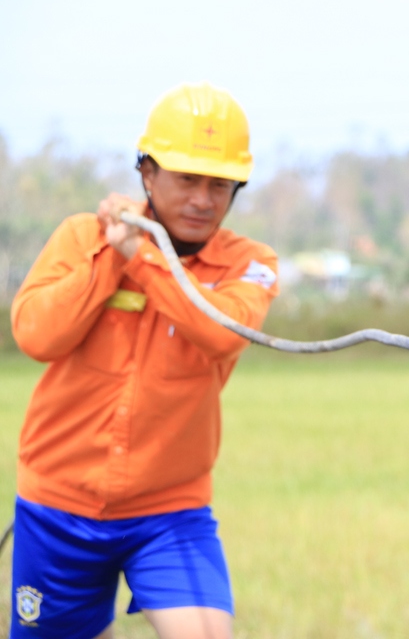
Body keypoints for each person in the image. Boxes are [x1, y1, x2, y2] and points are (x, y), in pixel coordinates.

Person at [8, 83, 278, 639]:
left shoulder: (249, 264)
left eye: (220, 184)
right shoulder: (85, 238)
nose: (204, 199)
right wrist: (112, 255)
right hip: (58, 506)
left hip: (170, 512)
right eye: (187, 180)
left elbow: (222, 332)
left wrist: (143, 257)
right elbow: (36, 334)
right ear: (146, 173)